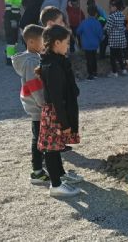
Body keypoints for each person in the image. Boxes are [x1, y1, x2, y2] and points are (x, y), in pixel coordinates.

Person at [35, 25, 84, 197]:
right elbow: (56, 97)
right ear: (56, 43)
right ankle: (55, 185)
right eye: (66, 42)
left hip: (58, 111)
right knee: (52, 149)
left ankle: (60, 177)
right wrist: (65, 123)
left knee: (56, 146)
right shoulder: (53, 66)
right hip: (55, 113)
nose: (68, 46)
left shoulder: (57, 61)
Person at [11, 24, 48, 184]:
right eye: (42, 41)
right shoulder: (31, 61)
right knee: (38, 138)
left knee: (41, 136)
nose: (44, 44)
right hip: (37, 106)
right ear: (31, 42)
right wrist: (42, 102)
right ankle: (37, 171)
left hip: (38, 105)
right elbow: (33, 85)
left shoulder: (33, 58)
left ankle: (42, 163)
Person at [4, 0, 27, 65]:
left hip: (16, 18)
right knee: (11, 40)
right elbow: (8, 9)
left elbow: (17, 7)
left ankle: (9, 54)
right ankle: (9, 60)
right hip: (10, 18)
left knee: (15, 40)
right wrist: (11, 20)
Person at [77, 5, 103, 80]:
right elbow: (100, 34)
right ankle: (95, 73)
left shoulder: (84, 22)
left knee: (89, 59)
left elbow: (78, 32)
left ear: (88, 13)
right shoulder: (97, 23)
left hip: (86, 44)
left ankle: (90, 74)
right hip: (95, 44)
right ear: (96, 14)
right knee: (94, 58)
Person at [104, 0, 127, 77]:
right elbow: (124, 26)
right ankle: (123, 69)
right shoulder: (122, 15)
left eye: (111, 7)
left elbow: (108, 28)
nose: (110, 8)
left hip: (113, 39)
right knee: (120, 54)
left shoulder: (111, 16)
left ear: (115, 7)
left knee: (113, 57)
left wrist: (107, 33)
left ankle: (114, 72)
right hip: (121, 38)